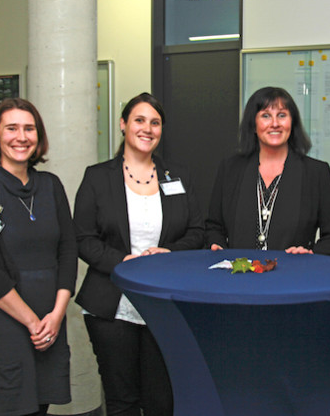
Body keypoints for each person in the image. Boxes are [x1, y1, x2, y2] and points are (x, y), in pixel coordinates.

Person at [73, 92, 204, 416]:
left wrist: (168, 252)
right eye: (139, 120)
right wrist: (124, 263)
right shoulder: (98, 177)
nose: (148, 129)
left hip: (164, 304)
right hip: (111, 305)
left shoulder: (178, 176)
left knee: (163, 400)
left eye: (155, 122)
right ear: (123, 125)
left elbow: (197, 232)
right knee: (122, 400)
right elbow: (83, 238)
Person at [0, 98, 77, 416]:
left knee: (41, 407)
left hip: (50, 324)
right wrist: (32, 323)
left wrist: (55, 316)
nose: (21, 137)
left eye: (29, 128)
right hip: (5, 325)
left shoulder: (50, 186)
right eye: (11, 128)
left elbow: (68, 250)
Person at [206, 86, 330, 255]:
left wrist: (311, 256)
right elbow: (214, 226)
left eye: (282, 115)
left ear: (292, 122)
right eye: (265, 116)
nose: (275, 123)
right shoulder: (230, 169)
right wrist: (218, 247)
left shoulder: (316, 172)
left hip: (293, 275)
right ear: (253, 124)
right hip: (239, 275)